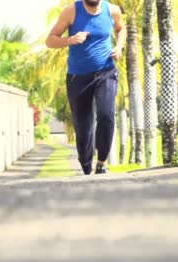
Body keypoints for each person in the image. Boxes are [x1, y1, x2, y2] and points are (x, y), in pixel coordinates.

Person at [46, 0, 126, 175]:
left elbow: (121, 29)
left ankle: (101, 163)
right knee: (83, 126)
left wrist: (119, 47)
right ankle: (86, 165)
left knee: (106, 115)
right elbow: (50, 41)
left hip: (106, 71)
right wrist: (71, 39)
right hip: (78, 77)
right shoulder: (71, 11)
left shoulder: (112, 10)